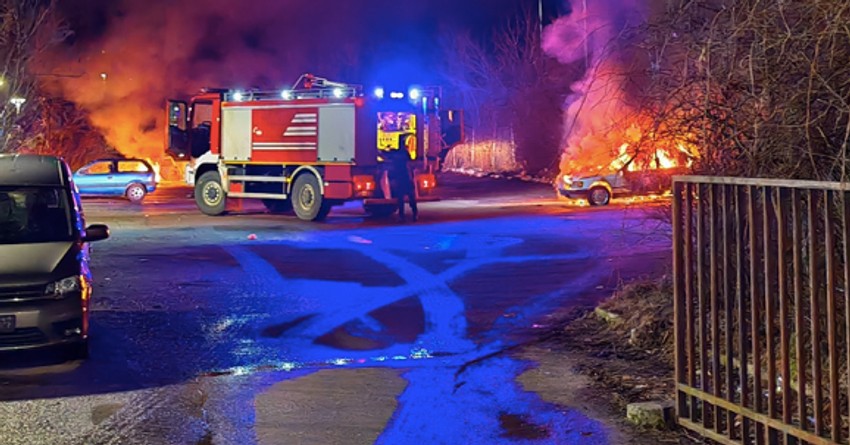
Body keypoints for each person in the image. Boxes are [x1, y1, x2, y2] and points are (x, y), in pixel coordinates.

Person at [386, 148, 418, 222]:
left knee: (400, 199)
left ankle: (402, 215)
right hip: (406, 178)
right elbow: (410, 165)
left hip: (400, 179)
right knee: (411, 197)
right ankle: (415, 213)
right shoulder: (404, 156)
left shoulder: (395, 157)